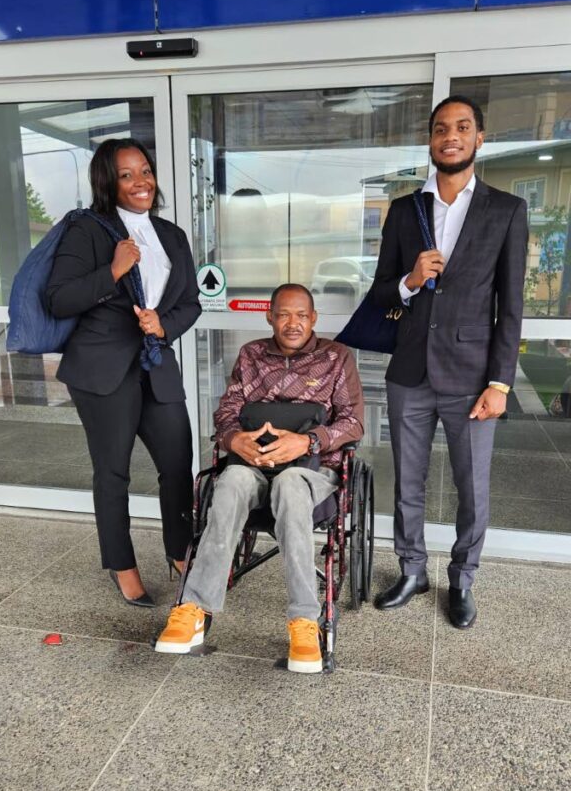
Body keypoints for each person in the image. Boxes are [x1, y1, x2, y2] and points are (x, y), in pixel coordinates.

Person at [371, 96, 528, 629]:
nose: (451, 136)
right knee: (407, 482)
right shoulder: (403, 210)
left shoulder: (506, 210)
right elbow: (379, 295)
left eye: (462, 127)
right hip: (410, 373)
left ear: (479, 138)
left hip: (471, 377)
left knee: (472, 487)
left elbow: (511, 305)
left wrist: (501, 383)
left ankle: (462, 579)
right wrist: (409, 282)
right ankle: (411, 569)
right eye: (441, 129)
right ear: (431, 140)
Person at [154, 283, 364, 672]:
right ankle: (194, 608)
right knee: (229, 482)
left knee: (288, 485)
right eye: (284, 314)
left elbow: (352, 423)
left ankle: (304, 621)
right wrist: (237, 440)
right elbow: (227, 412)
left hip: (312, 472)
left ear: (313, 318)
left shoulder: (337, 358)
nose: (293, 323)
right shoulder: (251, 355)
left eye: (301, 315)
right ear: (269, 317)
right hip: (253, 465)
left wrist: (306, 443)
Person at [46, 138, 201, 606]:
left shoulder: (171, 234)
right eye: (127, 175)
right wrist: (113, 271)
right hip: (102, 367)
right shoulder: (88, 230)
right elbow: (57, 299)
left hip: (156, 365)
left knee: (177, 464)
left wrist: (164, 323)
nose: (141, 182)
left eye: (145, 171)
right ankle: (122, 563)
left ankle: (180, 551)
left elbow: (190, 301)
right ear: (108, 182)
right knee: (113, 474)